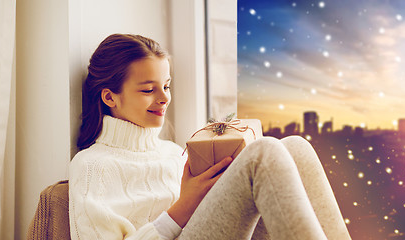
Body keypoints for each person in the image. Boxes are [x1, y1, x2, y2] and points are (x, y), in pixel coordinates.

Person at [69, 33, 351, 240]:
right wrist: (184, 207)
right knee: (263, 154)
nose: (164, 98)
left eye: (166, 86)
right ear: (110, 97)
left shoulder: (172, 153)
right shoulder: (93, 166)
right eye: (148, 90)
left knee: (294, 147)